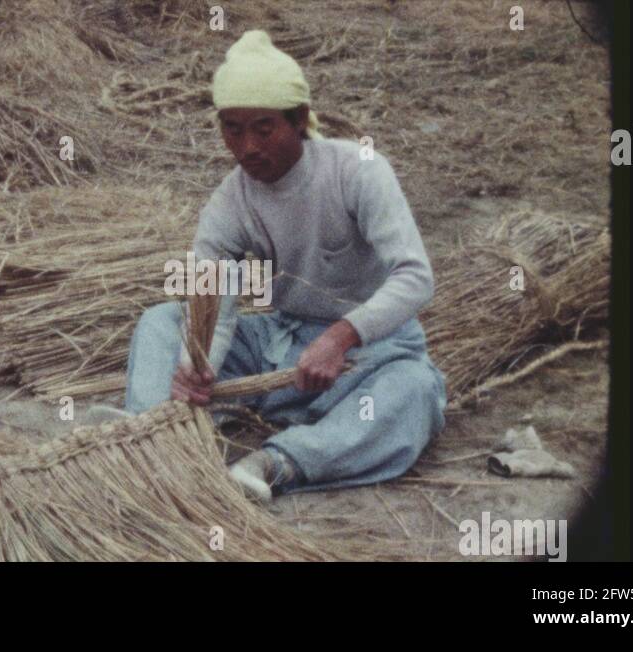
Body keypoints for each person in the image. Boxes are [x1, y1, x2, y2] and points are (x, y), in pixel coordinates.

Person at [122, 30, 447, 502]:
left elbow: (416, 278)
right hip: (279, 349)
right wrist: (196, 366)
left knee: (415, 391)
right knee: (161, 322)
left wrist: (339, 338)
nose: (247, 146)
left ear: (298, 121)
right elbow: (211, 294)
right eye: (232, 129)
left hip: (370, 356)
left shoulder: (358, 171)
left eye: (263, 127)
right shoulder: (232, 199)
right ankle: (151, 439)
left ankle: (278, 463)